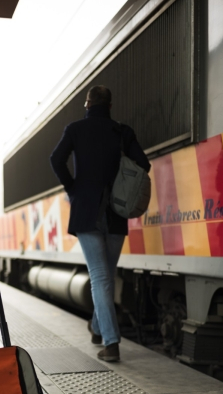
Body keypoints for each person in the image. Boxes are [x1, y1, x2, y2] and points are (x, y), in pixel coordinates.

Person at [50, 85, 150, 362]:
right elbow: (144, 164)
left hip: (87, 211)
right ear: (110, 106)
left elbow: (56, 159)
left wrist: (74, 188)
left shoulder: (75, 129)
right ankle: (97, 327)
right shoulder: (122, 131)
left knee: (101, 277)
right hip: (117, 212)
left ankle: (111, 342)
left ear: (87, 104)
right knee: (105, 275)